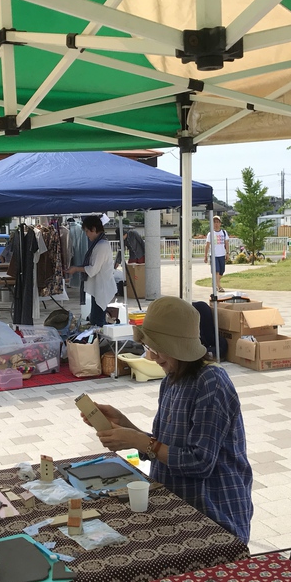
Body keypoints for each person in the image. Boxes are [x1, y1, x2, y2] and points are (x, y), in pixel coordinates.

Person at [84, 296, 254, 543]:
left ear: (178, 347)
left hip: (214, 515)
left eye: (155, 349)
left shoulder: (211, 382)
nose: (151, 357)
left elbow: (199, 462)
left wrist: (139, 441)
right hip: (178, 506)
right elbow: (163, 446)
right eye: (148, 347)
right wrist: (124, 425)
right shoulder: (171, 380)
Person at [67, 215, 116, 327]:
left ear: (93, 229)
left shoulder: (101, 245)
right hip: (99, 286)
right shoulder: (100, 243)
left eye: (87, 231)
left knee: (98, 322)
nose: (86, 234)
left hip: (101, 287)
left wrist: (76, 269)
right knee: (95, 320)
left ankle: (99, 337)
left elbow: (93, 269)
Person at [204, 216, 229, 292]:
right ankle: (219, 286)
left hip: (222, 254)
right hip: (214, 255)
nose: (216, 224)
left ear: (220, 223)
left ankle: (215, 282)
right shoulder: (210, 234)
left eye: (217, 222)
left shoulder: (224, 232)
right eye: (214, 222)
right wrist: (205, 256)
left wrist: (227, 253)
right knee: (216, 271)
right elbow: (207, 245)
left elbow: (226, 243)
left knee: (222, 271)